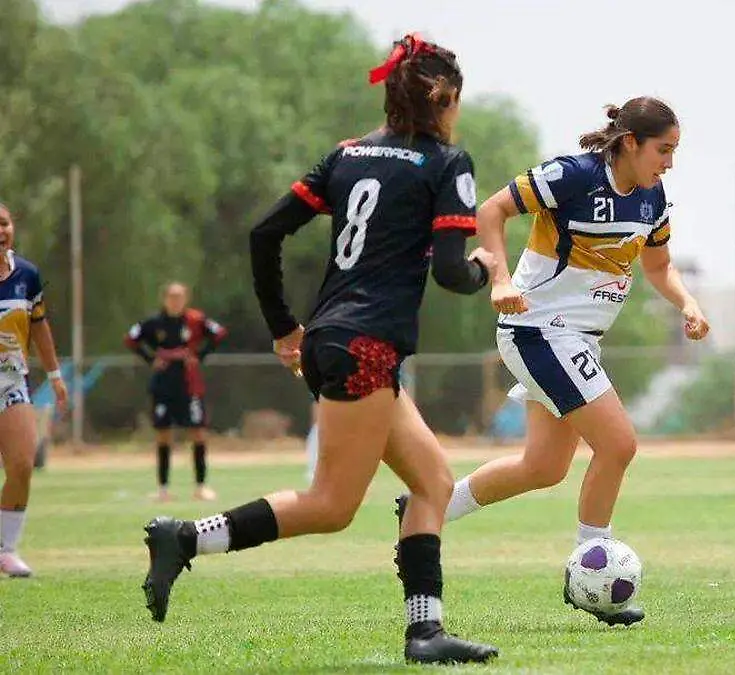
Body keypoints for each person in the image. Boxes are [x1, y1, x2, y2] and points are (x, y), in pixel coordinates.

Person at [139, 34, 498, 664]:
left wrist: (284, 326)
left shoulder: (347, 154)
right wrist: (483, 271)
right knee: (331, 506)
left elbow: (264, 232)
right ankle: (187, 537)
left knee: (433, 482)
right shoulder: (447, 162)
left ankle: (426, 631)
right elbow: (449, 271)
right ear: (442, 98)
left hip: (336, 336)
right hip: (368, 346)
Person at [396, 97, 710, 626]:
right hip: (540, 331)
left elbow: (659, 266)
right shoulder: (573, 176)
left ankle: (426, 510)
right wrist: (499, 281)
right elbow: (491, 210)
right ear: (630, 142)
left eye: (675, 151)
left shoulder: (653, 198)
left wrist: (688, 303)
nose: (670, 162)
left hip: (575, 340)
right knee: (619, 444)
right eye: (664, 149)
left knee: (543, 468)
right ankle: (589, 574)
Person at [0, 201, 68, 577]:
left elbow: (39, 325)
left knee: (22, 465)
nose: (1, 231)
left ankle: (5, 550)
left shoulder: (27, 274)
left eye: (4, 223)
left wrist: (55, 375)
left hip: (12, 382)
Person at [125, 282, 227, 502]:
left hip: (190, 385)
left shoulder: (195, 320)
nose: (175, 301)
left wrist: (199, 355)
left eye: (179, 297)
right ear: (164, 299)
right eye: (171, 297)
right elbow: (131, 339)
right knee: (163, 435)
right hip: (163, 385)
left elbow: (219, 333)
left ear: (186, 298)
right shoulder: (154, 322)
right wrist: (151, 358)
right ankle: (163, 489)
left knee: (198, 433)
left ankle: (200, 487)